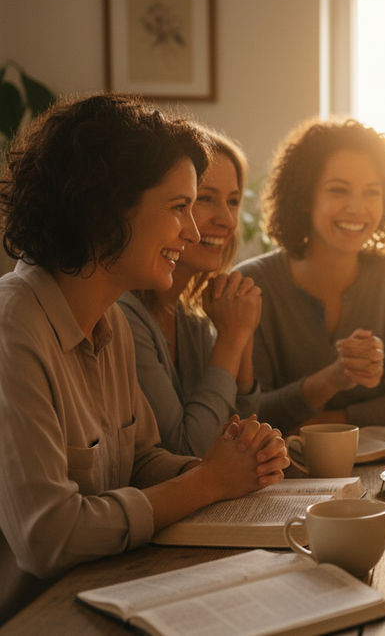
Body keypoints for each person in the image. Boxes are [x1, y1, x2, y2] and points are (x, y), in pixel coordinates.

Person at [0, 93, 288, 623]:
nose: (196, 231)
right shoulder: (12, 329)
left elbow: (139, 460)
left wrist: (232, 462)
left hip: (112, 592)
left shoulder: (108, 320)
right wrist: (206, 482)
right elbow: (48, 537)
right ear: (103, 209)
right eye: (180, 207)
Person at [238, 118, 385, 433]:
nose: (357, 208)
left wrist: (318, 425)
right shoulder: (252, 285)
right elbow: (251, 413)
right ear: (303, 197)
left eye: (372, 192)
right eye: (338, 190)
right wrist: (332, 379)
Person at [118, 129, 262, 456]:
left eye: (234, 202)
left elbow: (247, 429)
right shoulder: (123, 315)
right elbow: (189, 450)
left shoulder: (192, 314)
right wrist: (231, 338)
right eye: (204, 199)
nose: (226, 219)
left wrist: (243, 333)